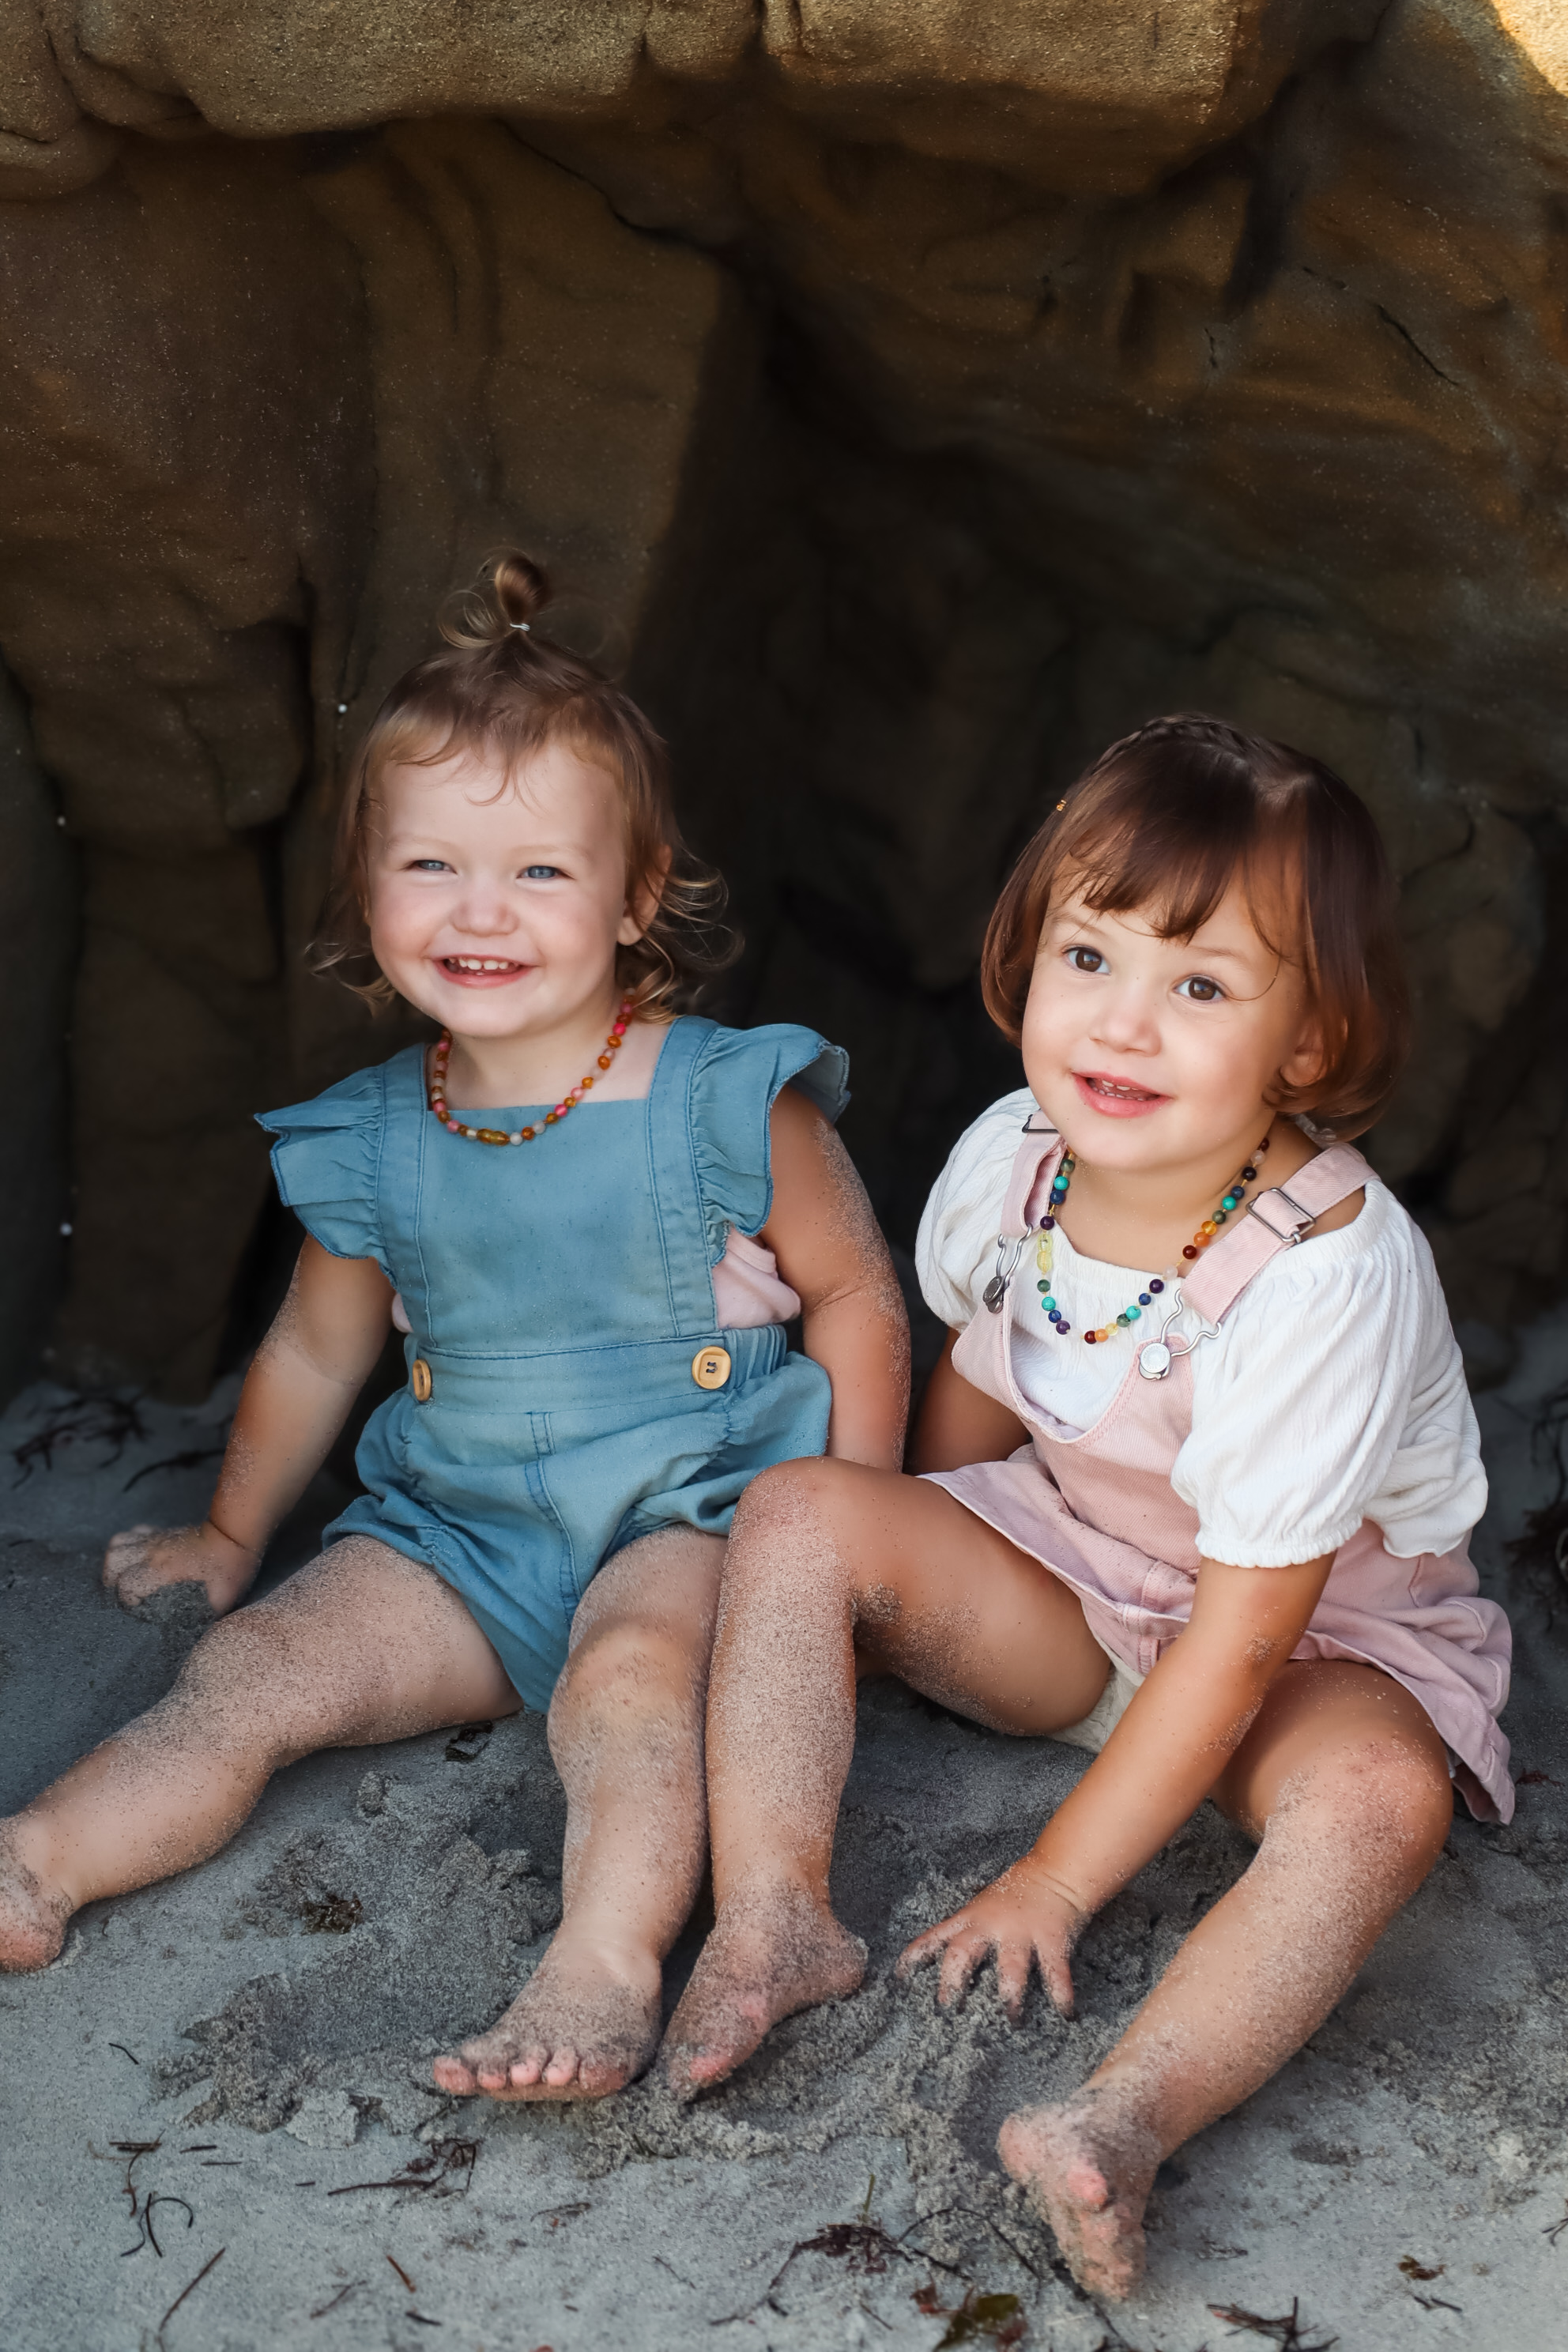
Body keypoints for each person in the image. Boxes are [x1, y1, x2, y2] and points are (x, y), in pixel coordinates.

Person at [0, 552, 910, 2110]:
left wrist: (847, 1547)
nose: (480, 912)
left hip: (690, 1521)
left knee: (627, 1685)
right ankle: (37, 1861)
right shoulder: (374, 1137)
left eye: (540, 872)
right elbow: (313, 1352)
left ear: (635, 895)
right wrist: (230, 1534)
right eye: (430, 865)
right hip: (462, 1538)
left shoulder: (722, 1100)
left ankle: (601, 1967)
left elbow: (858, 1299)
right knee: (253, 1669)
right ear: (368, 884)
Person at [660, 714, 1511, 2299]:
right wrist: (906, 1575)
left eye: (1200, 988)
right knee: (801, 1511)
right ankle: (774, 1919)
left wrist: (1051, 1880)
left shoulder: (1326, 1274)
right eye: (1089, 956)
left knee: (1377, 1807)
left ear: (1309, 1042)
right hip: (1078, 1584)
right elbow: (985, 1381)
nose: (1122, 1023)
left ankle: (1120, 2114)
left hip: (1305, 1655)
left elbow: (1240, 1641)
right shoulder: (1016, 1157)